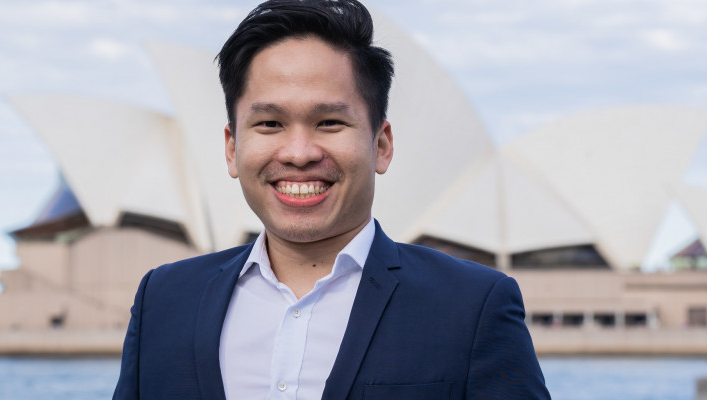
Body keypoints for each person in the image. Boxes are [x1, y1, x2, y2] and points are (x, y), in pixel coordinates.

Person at [113, 0, 550, 398]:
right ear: (232, 148)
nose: (299, 153)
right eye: (268, 124)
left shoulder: (472, 306)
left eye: (329, 122)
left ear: (381, 145)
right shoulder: (164, 299)